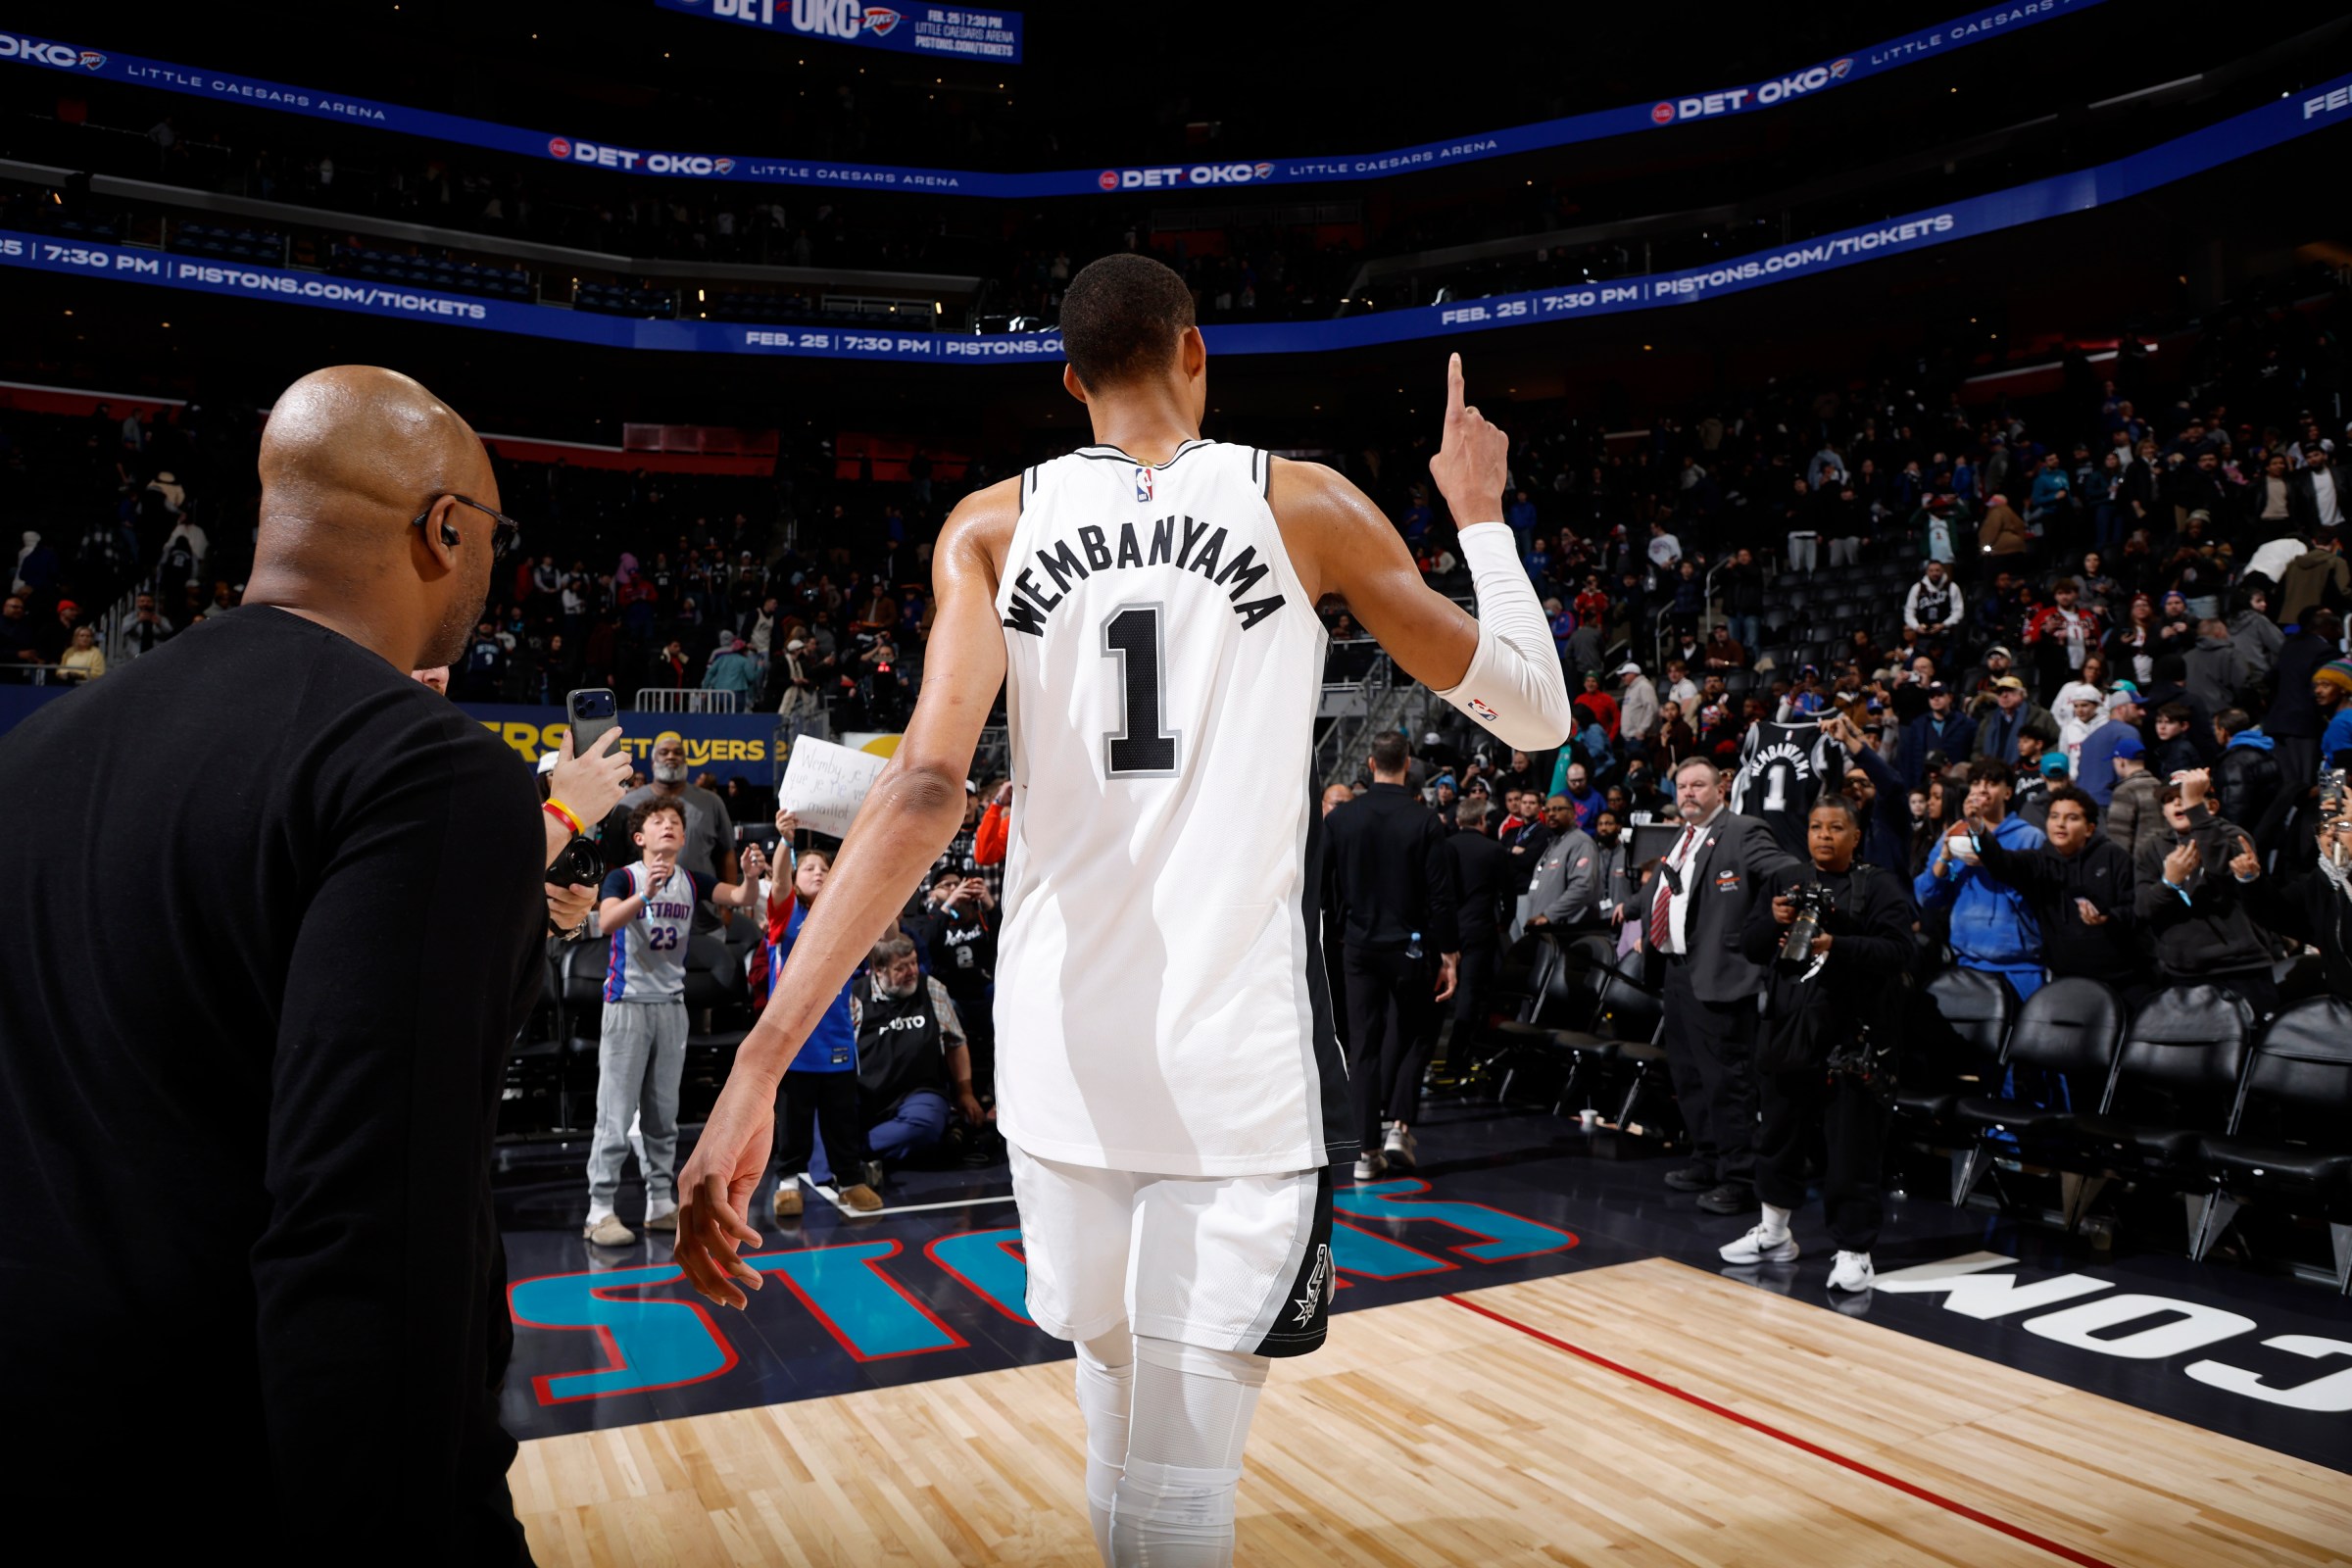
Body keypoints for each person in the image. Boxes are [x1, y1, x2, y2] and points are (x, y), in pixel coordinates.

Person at [670, 258, 1570, 1568]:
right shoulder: (1304, 501)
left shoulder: (988, 526)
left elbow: (920, 789)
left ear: (1070, 379)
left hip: (1059, 1060)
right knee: (1183, 1487)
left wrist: (758, 1065)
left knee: (1111, 1429)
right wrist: (1478, 514)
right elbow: (1535, 714)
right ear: (1197, 352)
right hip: (1230, 1057)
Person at [0, 366, 545, 1556]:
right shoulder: (427, 773)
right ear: (445, 528)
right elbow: (369, 1243)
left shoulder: (35, 752)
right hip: (239, 1474)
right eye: (495, 535)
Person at [1718, 796, 1913, 1293]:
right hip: (1787, 1029)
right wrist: (1774, 919)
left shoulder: (1878, 885)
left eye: (1836, 827)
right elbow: (1751, 945)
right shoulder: (1786, 880)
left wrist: (1836, 944)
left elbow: (1899, 951)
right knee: (1777, 1137)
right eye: (1816, 827)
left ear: (1856, 836)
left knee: (1851, 1150)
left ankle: (1854, 1252)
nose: (1824, 835)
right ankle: (1774, 1233)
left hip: (1852, 1038)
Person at [585, 798, 769, 1246]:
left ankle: (659, 1202)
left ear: (684, 838)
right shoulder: (624, 877)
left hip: (671, 1006)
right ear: (639, 837)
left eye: (675, 822)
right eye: (657, 821)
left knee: (663, 1114)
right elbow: (606, 922)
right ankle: (599, 1209)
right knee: (615, 1113)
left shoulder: (691, 880)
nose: (668, 825)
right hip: (627, 1004)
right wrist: (645, 896)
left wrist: (749, 876)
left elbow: (741, 898)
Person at [1636, 757, 1793, 1216]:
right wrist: (1632, 906)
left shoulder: (1742, 830)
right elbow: (1667, 892)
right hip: (1677, 971)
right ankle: (1706, 1159)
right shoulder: (1684, 835)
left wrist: (1777, 915)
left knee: (1728, 1083)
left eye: (1698, 785)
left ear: (1720, 789)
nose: (1688, 792)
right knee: (1689, 1077)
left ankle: (1740, 1178)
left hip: (1722, 973)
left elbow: (1783, 869)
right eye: (1682, 786)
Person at [1325, 730, 1461, 1177]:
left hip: (1358, 945)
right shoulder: (1425, 821)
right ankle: (1400, 1126)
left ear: (1370, 764)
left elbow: (1321, 885)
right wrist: (1450, 954)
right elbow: (1441, 897)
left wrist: (1339, 926)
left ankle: (1366, 1152)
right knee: (1416, 1033)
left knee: (1363, 1047)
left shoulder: (1342, 819)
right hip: (1410, 948)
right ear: (1407, 764)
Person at [763, 833, 884, 1216]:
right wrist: (786, 842)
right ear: (796, 877)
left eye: (825, 868)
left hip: (836, 1033)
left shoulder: (845, 916)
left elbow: (889, 932)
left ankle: (849, 1180)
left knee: (841, 1115)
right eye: (809, 868)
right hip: (793, 1038)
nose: (817, 873)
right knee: (793, 1117)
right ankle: (787, 1182)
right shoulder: (784, 914)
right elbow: (778, 881)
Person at [817, 934, 988, 1183]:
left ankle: (848, 1157)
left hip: (918, 1093)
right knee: (827, 1105)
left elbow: (956, 1043)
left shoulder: (932, 989)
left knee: (926, 1125)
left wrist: (965, 1092)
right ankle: (839, 1163)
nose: (912, 972)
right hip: (866, 1092)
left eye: (914, 963)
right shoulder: (855, 997)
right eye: (901, 967)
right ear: (878, 969)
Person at [1969, 784, 2150, 1003]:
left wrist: (2108, 918)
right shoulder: (2038, 862)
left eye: (2072, 818)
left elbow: (2138, 911)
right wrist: (1978, 828)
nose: (2060, 824)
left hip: (2124, 981)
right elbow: (2001, 862)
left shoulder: (2114, 858)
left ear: (2089, 829)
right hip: (2066, 982)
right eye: (2054, 816)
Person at [2133, 771, 2276, 1017]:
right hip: (2183, 972)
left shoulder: (2234, 836)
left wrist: (2197, 812)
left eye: (2186, 796)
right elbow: (2143, 909)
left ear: (2211, 806)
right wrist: (2169, 882)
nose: (2178, 802)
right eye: (2169, 799)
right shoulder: (2151, 849)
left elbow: (2219, 867)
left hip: (2243, 968)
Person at [1916, 759, 2049, 1000]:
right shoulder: (1954, 835)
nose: (1982, 790)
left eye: (1992, 783)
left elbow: (2038, 898)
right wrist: (1945, 856)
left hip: (2020, 967)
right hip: (1967, 962)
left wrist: (1991, 859)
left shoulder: (2030, 837)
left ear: (2008, 792)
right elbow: (1926, 896)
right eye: (1976, 783)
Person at [1520, 795, 1599, 936]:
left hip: (1566, 931)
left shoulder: (1581, 842)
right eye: (1547, 810)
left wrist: (1549, 915)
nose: (1551, 814)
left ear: (1573, 813)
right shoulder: (1555, 842)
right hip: (1545, 929)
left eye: (1557, 809)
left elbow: (1583, 887)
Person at [2104, 732, 2166, 859]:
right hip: (2163, 859)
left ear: (2121, 761)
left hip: (2139, 863)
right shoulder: (2160, 786)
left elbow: (2118, 836)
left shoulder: (2124, 790)